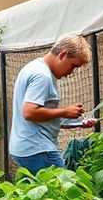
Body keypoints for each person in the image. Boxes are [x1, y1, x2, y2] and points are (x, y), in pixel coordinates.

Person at [9, 34, 98, 175]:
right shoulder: (42, 76)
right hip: (37, 150)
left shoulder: (35, 67)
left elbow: (41, 116)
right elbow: (29, 112)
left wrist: (75, 122)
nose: (71, 72)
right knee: (63, 192)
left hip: (25, 148)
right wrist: (65, 112)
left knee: (39, 193)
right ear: (63, 54)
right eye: (73, 66)